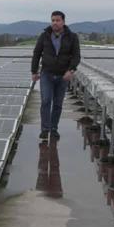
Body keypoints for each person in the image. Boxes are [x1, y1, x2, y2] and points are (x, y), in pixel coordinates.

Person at [31, 11, 81, 141]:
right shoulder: (44, 36)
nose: (55, 22)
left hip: (63, 75)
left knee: (58, 104)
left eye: (57, 20)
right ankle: (45, 129)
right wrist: (34, 71)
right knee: (46, 101)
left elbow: (76, 56)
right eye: (53, 20)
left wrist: (71, 71)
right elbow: (36, 53)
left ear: (63, 22)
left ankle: (54, 129)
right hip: (47, 74)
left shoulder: (72, 37)